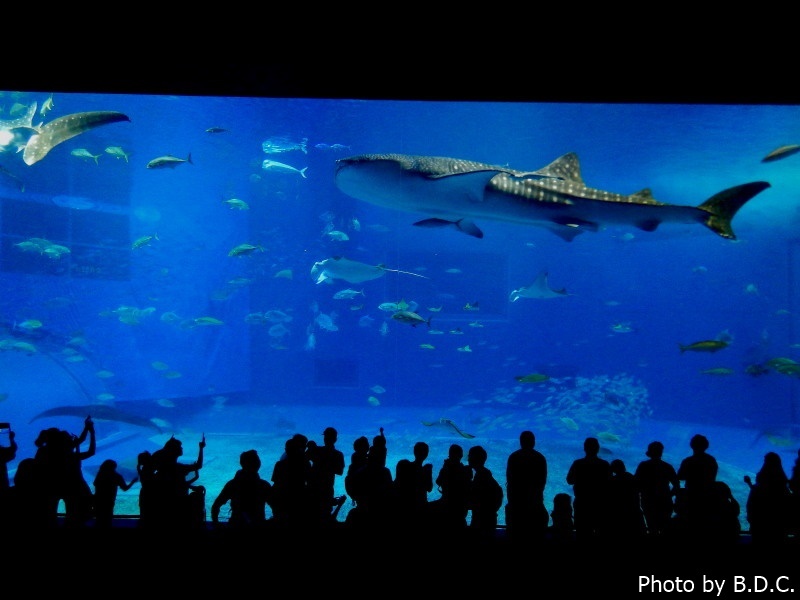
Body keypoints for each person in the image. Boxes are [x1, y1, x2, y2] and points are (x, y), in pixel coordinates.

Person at [149, 433, 206, 530]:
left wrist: (191, 486)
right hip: (179, 504)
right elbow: (198, 465)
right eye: (180, 447)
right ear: (173, 451)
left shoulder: (162, 469)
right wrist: (201, 448)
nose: (182, 448)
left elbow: (177, 483)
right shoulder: (178, 468)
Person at [211, 449, 274, 530]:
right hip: (258, 527)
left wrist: (216, 524)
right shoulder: (264, 485)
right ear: (258, 464)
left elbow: (216, 505)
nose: (258, 463)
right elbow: (276, 508)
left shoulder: (232, 484)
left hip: (236, 526)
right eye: (257, 461)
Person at [505, 430, 548, 543]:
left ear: (520, 442)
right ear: (533, 442)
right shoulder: (540, 458)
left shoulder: (513, 457)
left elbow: (509, 480)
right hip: (535, 503)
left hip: (516, 504)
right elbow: (542, 482)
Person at [566, 436, 611, 542]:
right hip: (601, 504)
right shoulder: (604, 465)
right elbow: (610, 484)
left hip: (582, 503)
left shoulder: (578, 463)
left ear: (584, 448)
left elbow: (569, 480)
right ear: (598, 449)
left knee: (583, 533)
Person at [743, 451, 791, 546]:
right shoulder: (781, 483)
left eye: (765, 461)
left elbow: (757, 495)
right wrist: (749, 483)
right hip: (777, 524)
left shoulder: (763, 479)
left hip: (760, 522)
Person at [676, 433, 718, 538]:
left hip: (691, 496)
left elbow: (680, 476)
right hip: (707, 496)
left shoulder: (688, 461)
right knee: (704, 523)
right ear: (706, 446)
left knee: (689, 522)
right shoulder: (711, 460)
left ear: (691, 445)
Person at [634, 440, 679, 536]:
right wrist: (668, 495)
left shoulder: (643, 466)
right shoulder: (667, 467)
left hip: (648, 501)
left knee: (651, 528)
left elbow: (636, 484)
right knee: (665, 529)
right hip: (665, 502)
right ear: (661, 452)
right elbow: (676, 485)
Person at [306, 426, 346, 526]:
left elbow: (339, 471)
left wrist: (319, 459)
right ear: (336, 439)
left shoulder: (318, 451)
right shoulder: (337, 454)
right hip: (323, 489)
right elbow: (339, 471)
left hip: (317, 488)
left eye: (327, 437)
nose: (326, 439)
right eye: (326, 437)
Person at [393, 441, 433, 533]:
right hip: (419, 507)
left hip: (402, 507)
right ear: (426, 454)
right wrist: (428, 473)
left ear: (414, 452)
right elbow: (429, 488)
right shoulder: (424, 471)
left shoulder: (403, 465)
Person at [431, 443, 472, 534]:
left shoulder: (445, 468)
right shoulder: (464, 470)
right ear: (461, 455)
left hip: (446, 503)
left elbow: (438, 481)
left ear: (449, 455)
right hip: (460, 506)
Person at [466, 445, 503, 541]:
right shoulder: (484, 475)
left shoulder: (481, 477)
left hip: (482, 521)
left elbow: (473, 499)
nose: (468, 458)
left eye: (470, 456)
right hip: (487, 518)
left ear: (475, 458)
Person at [92, 458, 138, 529]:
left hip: (98, 500)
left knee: (98, 520)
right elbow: (125, 488)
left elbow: (95, 484)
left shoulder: (100, 474)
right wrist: (133, 481)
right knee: (107, 520)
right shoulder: (117, 476)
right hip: (109, 501)